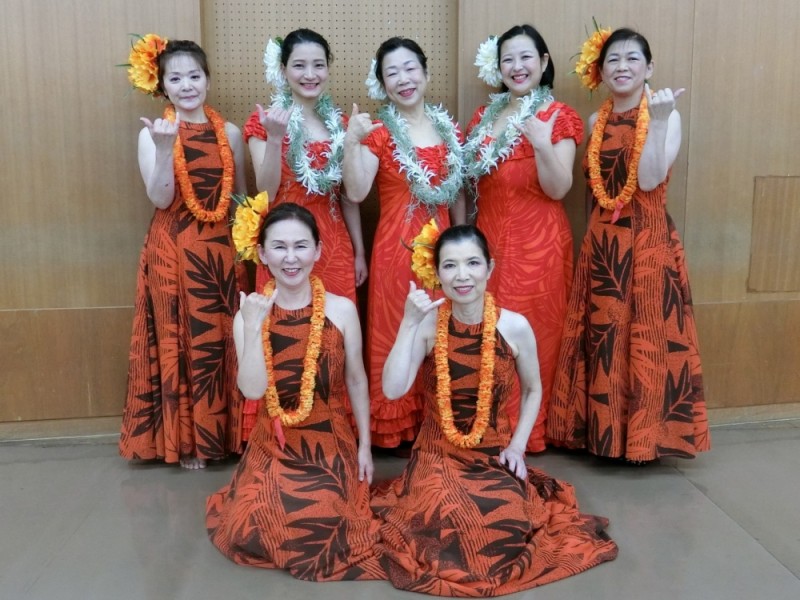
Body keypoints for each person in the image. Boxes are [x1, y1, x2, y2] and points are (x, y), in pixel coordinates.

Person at [372, 224, 617, 596]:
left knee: (502, 523)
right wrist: (408, 323)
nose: (462, 275)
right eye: (450, 266)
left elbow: (533, 390)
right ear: (437, 274)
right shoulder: (427, 326)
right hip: (438, 454)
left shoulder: (514, 326)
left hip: (494, 454)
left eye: (472, 263)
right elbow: (392, 390)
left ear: (489, 267)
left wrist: (517, 447)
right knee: (447, 517)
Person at [547, 27, 710, 463]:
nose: (621, 67)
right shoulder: (596, 121)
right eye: (612, 60)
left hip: (648, 242)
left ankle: (643, 441)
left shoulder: (665, 115)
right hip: (603, 244)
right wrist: (589, 243)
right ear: (600, 71)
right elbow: (593, 190)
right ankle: (604, 438)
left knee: (646, 336)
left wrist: (659, 121)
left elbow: (651, 180)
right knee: (605, 339)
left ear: (649, 67)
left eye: (632, 58)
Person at [206, 202, 385, 581]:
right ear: (262, 254)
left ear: (318, 251)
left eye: (301, 246)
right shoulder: (248, 315)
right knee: (258, 521)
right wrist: (253, 327)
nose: (291, 258)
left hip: (329, 440)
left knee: (325, 517)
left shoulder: (341, 310)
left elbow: (356, 380)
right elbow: (252, 390)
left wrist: (365, 447)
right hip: (273, 443)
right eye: (280, 247)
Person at [119, 36, 248, 469]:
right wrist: (162, 148)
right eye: (176, 79)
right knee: (183, 341)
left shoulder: (230, 133)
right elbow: (160, 198)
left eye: (194, 76)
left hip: (221, 254)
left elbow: (240, 198)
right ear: (163, 86)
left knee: (221, 342)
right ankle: (189, 443)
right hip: (172, 252)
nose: (187, 85)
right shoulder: (152, 134)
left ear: (207, 80)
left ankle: (226, 437)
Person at [463, 25, 583, 454]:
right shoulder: (483, 117)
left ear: (544, 62)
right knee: (486, 331)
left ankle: (525, 432)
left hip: (538, 245)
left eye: (526, 57)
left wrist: (542, 145)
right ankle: (486, 424)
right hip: (488, 242)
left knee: (532, 334)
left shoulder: (559, 115)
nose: (517, 67)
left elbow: (559, 188)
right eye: (508, 59)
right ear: (497, 67)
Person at [343, 37, 466, 449]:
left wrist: (465, 242)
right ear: (382, 83)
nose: (404, 79)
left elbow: (458, 193)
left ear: (426, 73)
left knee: (444, 329)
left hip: (447, 250)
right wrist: (352, 142)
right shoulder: (378, 133)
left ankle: (443, 421)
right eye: (392, 73)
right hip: (397, 250)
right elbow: (356, 192)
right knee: (400, 329)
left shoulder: (449, 129)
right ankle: (399, 429)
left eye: (410, 68)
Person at [244, 29, 366, 302]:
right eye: (299, 65)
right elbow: (266, 192)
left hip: (333, 242)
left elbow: (348, 198)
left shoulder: (341, 125)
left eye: (318, 65)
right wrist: (275, 138)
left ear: (328, 68)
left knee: (335, 320)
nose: (310, 75)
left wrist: (359, 251)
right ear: (283, 69)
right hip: (283, 244)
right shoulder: (265, 121)